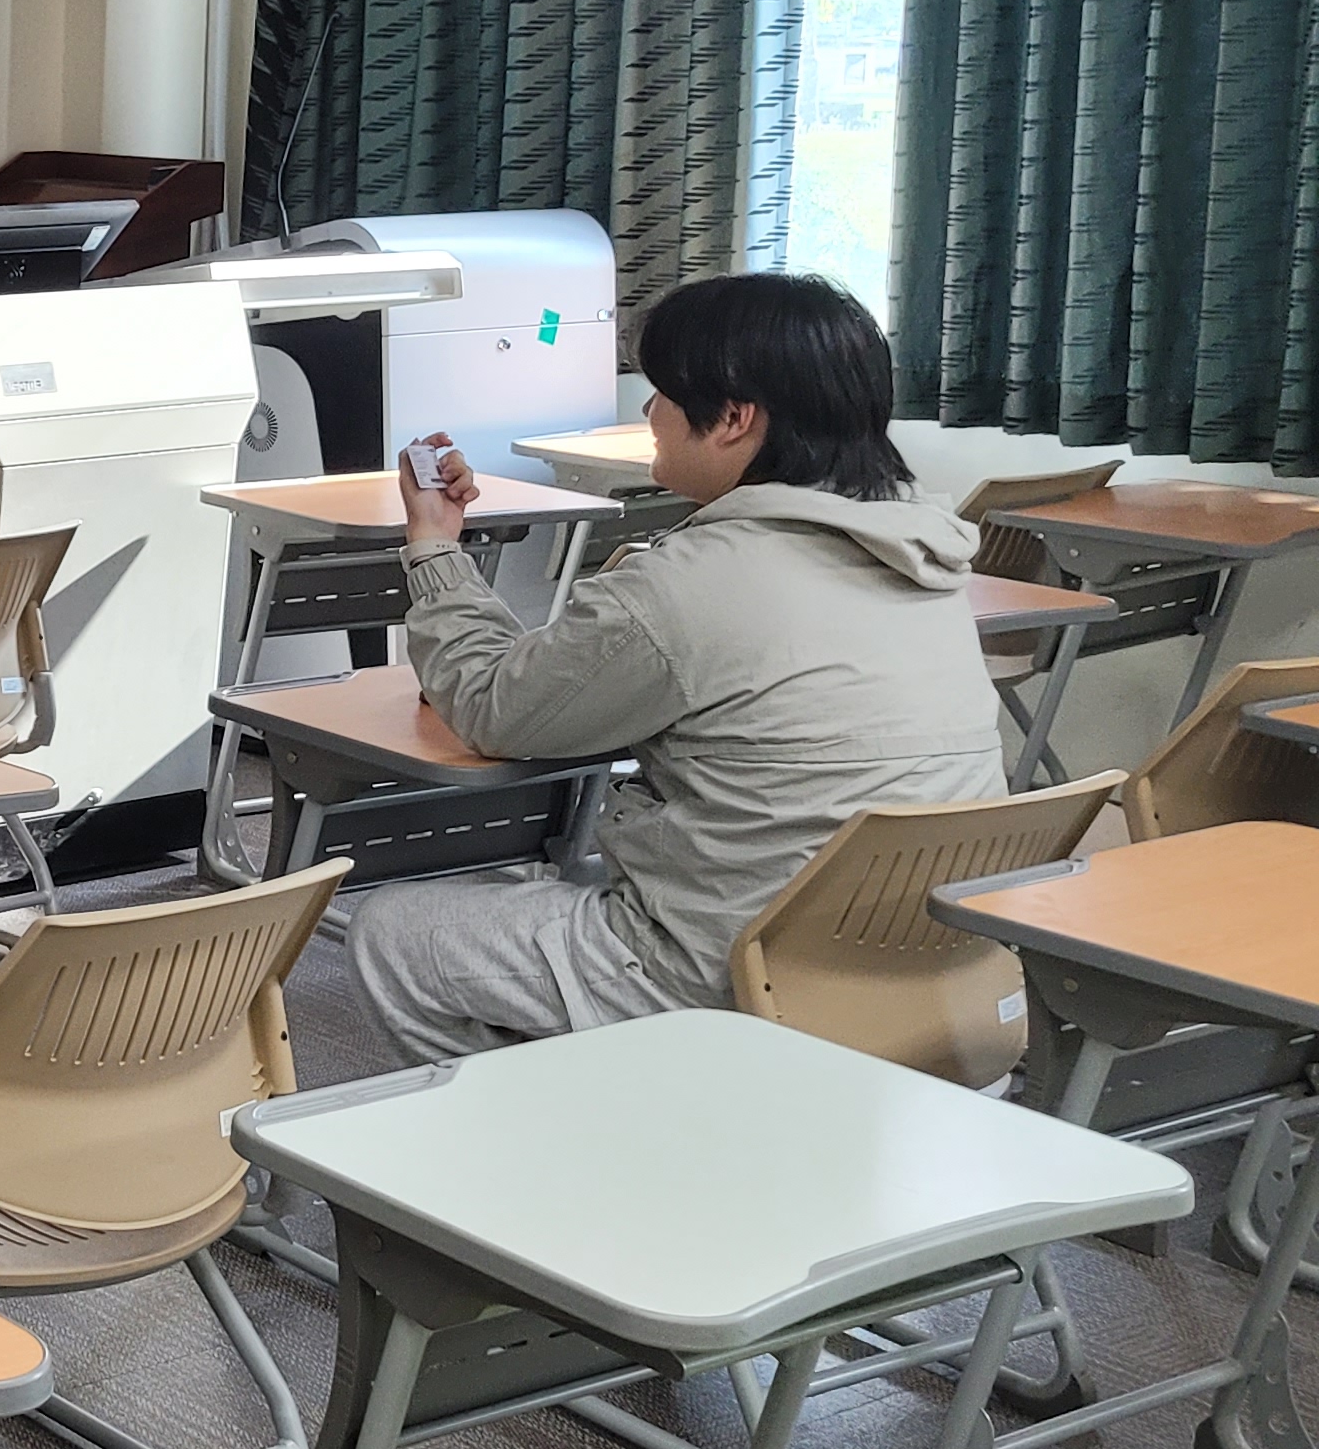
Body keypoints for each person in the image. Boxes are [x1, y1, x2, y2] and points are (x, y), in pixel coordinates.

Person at [345, 271, 1006, 1065]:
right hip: (927, 972)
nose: (649, 413)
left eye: (662, 393)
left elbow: (493, 709)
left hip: (740, 979)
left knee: (393, 935)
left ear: (733, 418)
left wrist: (433, 545)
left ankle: (584, 1132)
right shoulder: (926, 556)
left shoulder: (691, 583)